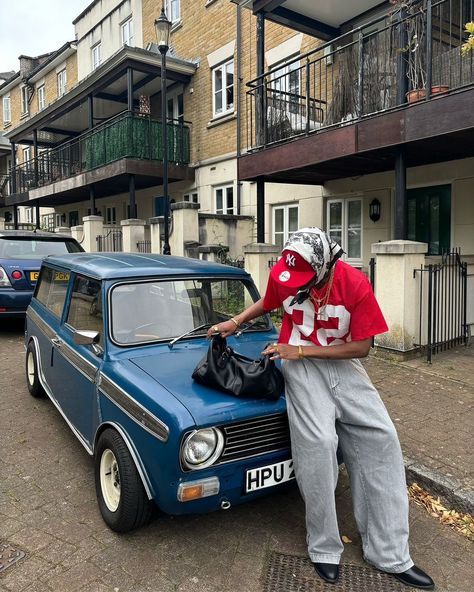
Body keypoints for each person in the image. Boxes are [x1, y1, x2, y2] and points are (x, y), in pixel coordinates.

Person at [208, 227, 434, 589]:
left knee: (382, 438)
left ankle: (390, 553)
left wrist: (299, 350)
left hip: (339, 362)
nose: (293, 283)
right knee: (318, 444)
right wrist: (234, 322)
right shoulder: (288, 270)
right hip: (299, 367)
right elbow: (268, 301)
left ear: (326, 265)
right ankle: (325, 548)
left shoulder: (354, 283)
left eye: (303, 278)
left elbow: (361, 347)